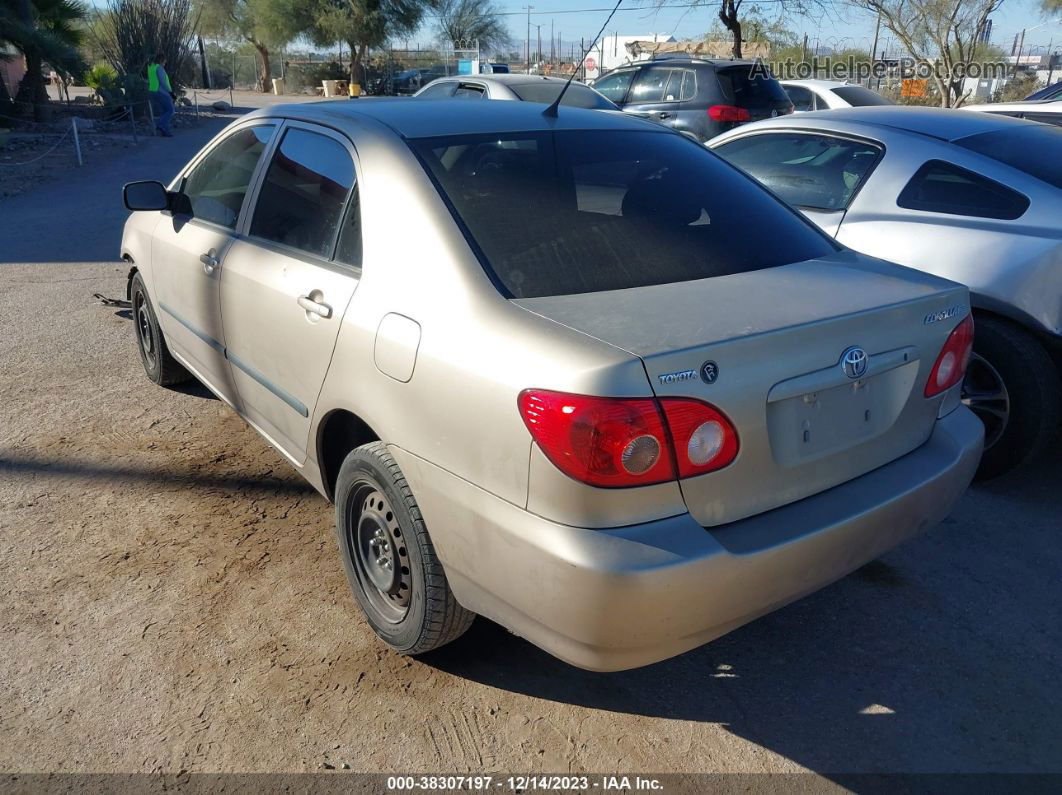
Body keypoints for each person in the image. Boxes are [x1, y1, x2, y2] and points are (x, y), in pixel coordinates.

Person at [147, 54, 175, 137]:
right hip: (162, 92)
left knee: (164, 111)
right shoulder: (159, 68)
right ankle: (160, 125)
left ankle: (165, 131)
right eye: (165, 61)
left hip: (153, 91)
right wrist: (171, 93)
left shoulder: (151, 67)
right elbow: (163, 82)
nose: (165, 63)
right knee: (171, 110)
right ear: (162, 60)